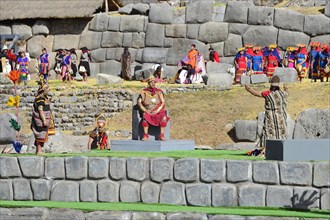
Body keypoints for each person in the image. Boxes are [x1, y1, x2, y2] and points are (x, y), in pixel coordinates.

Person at [245, 75, 288, 154]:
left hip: (270, 118)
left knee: (268, 133)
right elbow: (286, 92)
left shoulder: (268, 93)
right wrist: (285, 87)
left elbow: (256, 93)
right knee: (281, 133)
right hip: (281, 117)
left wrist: (248, 89)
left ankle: (266, 150)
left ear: (271, 84)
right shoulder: (283, 94)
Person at [137, 76, 170, 141]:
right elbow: (139, 102)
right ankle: (145, 135)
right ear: (148, 83)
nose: (153, 84)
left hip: (158, 110)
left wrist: (157, 111)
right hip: (148, 110)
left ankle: (162, 135)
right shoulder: (144, 92)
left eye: (154, 82)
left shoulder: (159, 92)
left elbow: (163, 102)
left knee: (163, 118)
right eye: (151, 82)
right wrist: (145, 110)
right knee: (145, 118)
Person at [31, 80, 54, 155]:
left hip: (44, 119)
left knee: (43, 134)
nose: (48, 90)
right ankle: (39, 150)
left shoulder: (44, 97)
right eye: (47, 88)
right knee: (40, 134)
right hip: (40, 120)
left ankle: (39, 150)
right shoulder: (40, 98)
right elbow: (40, 109)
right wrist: (44, 120)